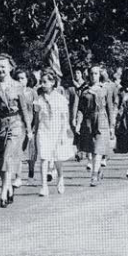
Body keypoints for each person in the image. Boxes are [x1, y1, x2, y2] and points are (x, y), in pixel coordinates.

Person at [0, 54, 32, 207]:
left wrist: (29, 129)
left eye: (3, 66)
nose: (1, 69)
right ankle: (9, 186)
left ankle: (4, 190)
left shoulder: (18, 86)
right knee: (0, 163)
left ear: (10, 68)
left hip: (15, 124)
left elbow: (24, 108)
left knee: (7, 157)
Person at [33, 68, 74, 196]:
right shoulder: (38, 99)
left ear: (52, 82)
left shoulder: (60, 99)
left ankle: (60, 177)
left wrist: (63, 134)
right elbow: (36, 119)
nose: (43, 84)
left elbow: (64, 118)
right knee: (44, 158)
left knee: (57, 158)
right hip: (43, 131)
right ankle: (44, 186)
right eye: (41, 81)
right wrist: (34, 133)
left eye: (45, 81)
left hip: (56, 131)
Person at [77, 65, 113, 186]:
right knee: (92, 149)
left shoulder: (105, 89)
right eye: (91, 74)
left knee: (98, 149)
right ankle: (97, 170)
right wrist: (78, 123)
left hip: (102, 119)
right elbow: (80, 109)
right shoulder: (84, 90)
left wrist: (112, 126)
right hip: (88, 121)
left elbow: (110, 108)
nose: (93, 76)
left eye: (96, 73)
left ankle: (94, 174)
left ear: (100, 75)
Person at [14, 68, 37, 188]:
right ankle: (18, 177)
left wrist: (35, 125)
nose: (20, 81)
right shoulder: (13, 92)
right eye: (18, 78)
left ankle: (31, 175)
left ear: (27, 79)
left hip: (31, 124)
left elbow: (36, 110)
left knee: (31, 152)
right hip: (18, 125)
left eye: (22, 78)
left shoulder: (32, 92)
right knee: (18, 151)